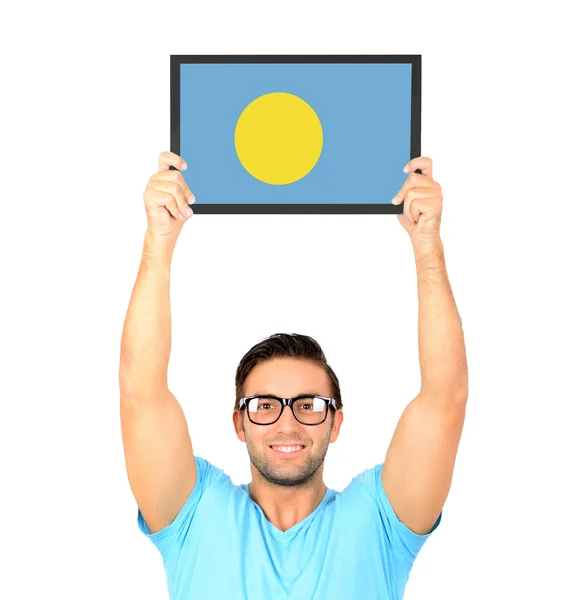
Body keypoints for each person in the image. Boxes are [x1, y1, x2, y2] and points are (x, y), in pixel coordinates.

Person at [119, 151, 468, 600]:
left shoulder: (380, 521)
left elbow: (445, 398)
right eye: (264, 405)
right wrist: (159, 239)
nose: (287, 423)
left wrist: (427, 246)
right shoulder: (195, 512)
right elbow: (140, 391)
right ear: (238, 423)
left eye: (309, 405)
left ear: (336, 421)